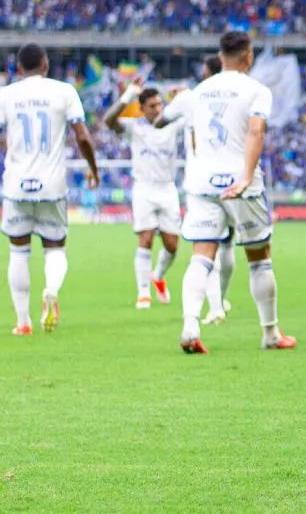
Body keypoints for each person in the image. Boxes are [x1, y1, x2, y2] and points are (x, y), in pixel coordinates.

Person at [167, 31, 295, 354]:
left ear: (220, 56)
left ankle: (190, 327)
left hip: (203, 184)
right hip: (241, 185)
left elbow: (194, 139)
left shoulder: (198, 92)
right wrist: (246, 177)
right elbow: (256, 130)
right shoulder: (257, 91)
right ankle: (270, 334)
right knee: (258, 258)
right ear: (248, 57)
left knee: (201, 255)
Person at [0, 43, 99, 335]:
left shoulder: (6, 94)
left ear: (18, 68)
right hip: (52, 185)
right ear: (45, 64)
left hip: (17, 185)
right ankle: (51, 291)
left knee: (18, 252)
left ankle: (23, 322)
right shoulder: (64, 91)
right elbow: (82, 137)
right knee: (55, 248)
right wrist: (93, 169)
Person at [158, 54, 234, 324]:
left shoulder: (191, 98)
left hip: (202, 182)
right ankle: (221, 302)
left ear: (206, 72)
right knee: (232, 248)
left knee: (203, 251)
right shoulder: (240, 94)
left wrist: (176, 100)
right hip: (235, 180)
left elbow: (159, 121)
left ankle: (205, 312)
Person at [103, 85, 182, 309]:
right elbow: (109, 120)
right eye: (152, 106)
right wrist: (128, 94)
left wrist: (181, 98)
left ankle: (157, 276)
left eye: (160, 104)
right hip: (144, 189)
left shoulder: (173, 125)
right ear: (142, 108)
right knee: (145, 239)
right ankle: (143, 293)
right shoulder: (134, 128)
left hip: (167, 189)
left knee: (172, 245)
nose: (158, 109)